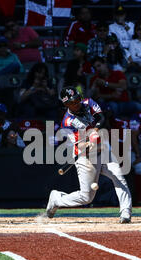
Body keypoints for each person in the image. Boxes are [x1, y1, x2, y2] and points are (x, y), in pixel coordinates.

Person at [44, 86, 133, 224]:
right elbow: (78, 145)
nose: (77, 103)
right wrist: (87, 144)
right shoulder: (67, 122)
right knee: (86, 197)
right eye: (73, 102)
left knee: (118, 177)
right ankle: (56, 198)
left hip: (102, 150)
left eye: (77, 99)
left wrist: (94, 132)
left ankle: (125, 212)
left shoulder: (88, 103)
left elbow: (101, 117)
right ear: (66, 104)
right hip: (85, 156)